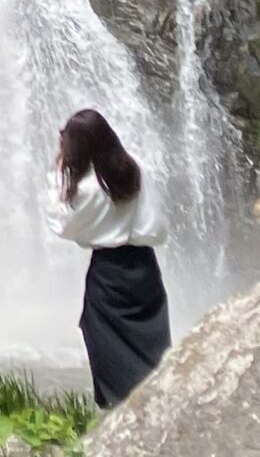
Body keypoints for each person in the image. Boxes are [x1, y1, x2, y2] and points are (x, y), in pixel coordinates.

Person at [51, 109, 171, 408]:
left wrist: (59, 172)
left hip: (109, 272)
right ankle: (163, 403)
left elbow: (60, 223)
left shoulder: (88, 189)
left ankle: (120, 415)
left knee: (107, 345)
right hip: (144, 268)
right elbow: (156, 222)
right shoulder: (135, 169)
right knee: (150, 342)